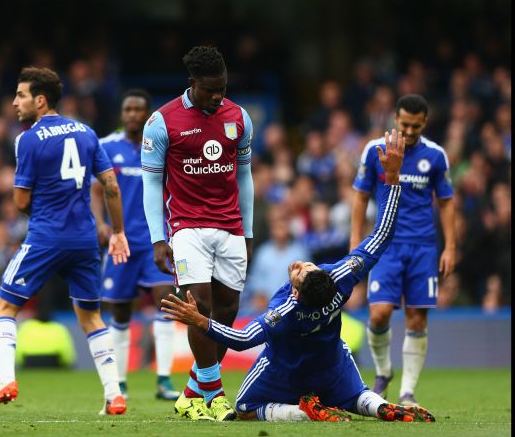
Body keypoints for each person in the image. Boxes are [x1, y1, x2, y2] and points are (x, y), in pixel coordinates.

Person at [162, 129, 434, 423]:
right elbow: (382, 235)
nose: (299, 265)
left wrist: (201, 321)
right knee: (354, 394)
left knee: (244, 408)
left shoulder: (285, 311)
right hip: (331, 365)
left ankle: (300, 412)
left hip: (286, 371)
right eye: (307, 266)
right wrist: (393, 179)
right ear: (324, 273)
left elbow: (243, 339)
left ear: (296, 293)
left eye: (299, 271)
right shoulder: (341, 277)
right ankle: (377, 405)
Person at [0, 67, 131, 416]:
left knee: (4, 308)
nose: (14, 102)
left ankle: (5, 380)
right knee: (91, 318)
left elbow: (21, 201)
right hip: (86, 239)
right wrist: (117, 233)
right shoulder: (88, 134)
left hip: (46, 237)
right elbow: (111, 186)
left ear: (40, 100)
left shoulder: (27, 139)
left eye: (21, 95)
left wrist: (46, 213)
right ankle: (115, 394)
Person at [141, 45, 254, 421]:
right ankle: (217, 394)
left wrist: (249, 232)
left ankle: (192, 392)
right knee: (199, 307)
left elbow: (245, 177)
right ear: (192, 84)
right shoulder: (162, 122)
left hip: (231, 226)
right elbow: (152, 184)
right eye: (210, 89)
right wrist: (159, 239)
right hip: (186, 225)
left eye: (222, 87)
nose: (218, 95)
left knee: (227, 310)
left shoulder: (239, 117)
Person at [350, 94, 455, 407]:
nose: (409, 131)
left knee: (416, 319)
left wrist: (450, 246)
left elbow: (447, 202)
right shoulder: (375, 150)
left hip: (423, 246)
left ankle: (408, 392)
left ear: (424, 122)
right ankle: (383, 372)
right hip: (386, 244)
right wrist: (356, 239)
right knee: (379, 313)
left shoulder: (436, 155)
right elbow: (360, 196)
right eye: (405, 124)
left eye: (416, 126)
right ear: (396, 118)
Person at [90, 89, 181, 401]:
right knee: (120, 311)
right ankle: (121, 382)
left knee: (166, 302)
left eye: (138, 109)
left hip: (156, 240)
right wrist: (101, 224)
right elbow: (95, 191)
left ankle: (164, 380)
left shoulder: (160, 147)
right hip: (122, 243)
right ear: (122, 113)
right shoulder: (105, 146)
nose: (132, 114)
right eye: (127, 109)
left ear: (147, 114)